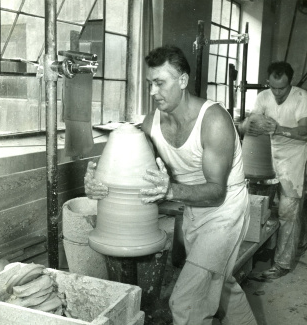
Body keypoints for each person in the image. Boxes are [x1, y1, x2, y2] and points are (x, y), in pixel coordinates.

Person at [85, 45, 257, 325]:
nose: (152, 92)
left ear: (183, 81)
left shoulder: (213, 121)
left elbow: (216, 192)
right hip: (191, 208)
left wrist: (170, 191)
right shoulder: (152, 123)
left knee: (186, 301)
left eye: (160, 83)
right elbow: (135, 173)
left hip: (225, 211)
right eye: (150, 83)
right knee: (219, 283)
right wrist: (98, 186)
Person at [239, 61, 307, 279]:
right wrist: (246, 125)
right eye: (273, 87)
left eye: (282, 88)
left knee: (288, 210)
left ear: (290, 82)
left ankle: (282, 263)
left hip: (292, 157)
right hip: (267, 155)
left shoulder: (301, 98)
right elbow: (248, 124)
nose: (277, 93)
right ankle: (272, 246)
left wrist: (279, 129)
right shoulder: (263, 97)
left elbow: (306, 132)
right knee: (260, 204)